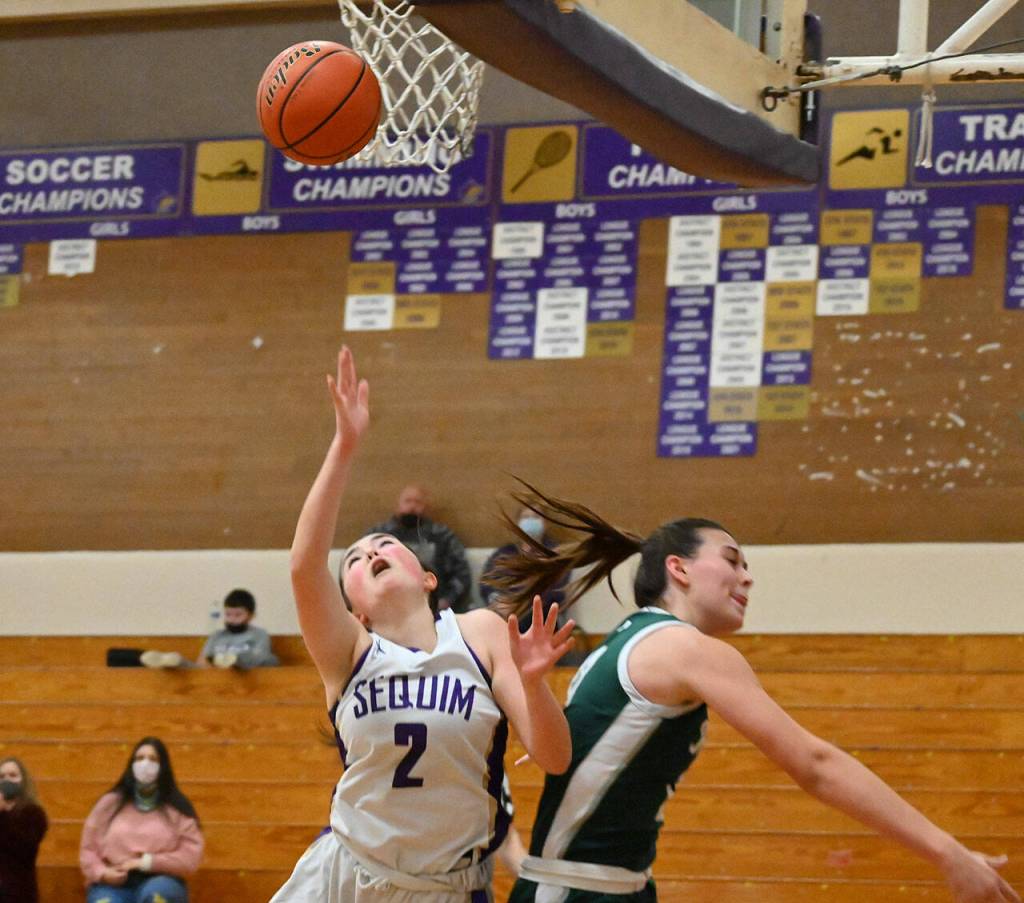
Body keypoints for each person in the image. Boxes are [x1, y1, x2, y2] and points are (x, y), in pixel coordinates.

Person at [487, 486, 1022, 903]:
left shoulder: (627, 639)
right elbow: (814, 763)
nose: (748, 577)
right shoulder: (681, 647)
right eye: (733, 559)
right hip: (580, 891)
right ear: (679, 568)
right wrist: (945, 851)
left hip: (607, 885)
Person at [270, 346, 575, 903]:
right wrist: (345, 446)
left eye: (385, 544)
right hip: (346, 875)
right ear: (353, 609)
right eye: (355, 560)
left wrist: (535, 685)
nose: (371, 553)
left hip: (445, 889)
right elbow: (301, 565)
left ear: (429, 578)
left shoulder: (480, 633)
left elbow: (554, 759)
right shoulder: (348, 651)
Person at [80, 737, 204, 903]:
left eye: (153, 759)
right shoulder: (109, 803)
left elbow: (190, 857)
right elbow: (88, 850)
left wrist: (146, 863)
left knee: (155, 896)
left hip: (161, 880)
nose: (145, 764)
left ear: (163, 767)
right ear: (131, 765)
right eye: (140, 758)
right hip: (113, 884)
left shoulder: (177, 807)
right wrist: (102, 873)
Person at [368, 484, 473, 613]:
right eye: (407, 501)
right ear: (397, 505)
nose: (412, 507)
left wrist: (446, 601)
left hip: (437, 607)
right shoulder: (378, 535)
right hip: (386, 607)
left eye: (418, 502)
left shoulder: (442, 535)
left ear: (426, 508)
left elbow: (462, 574)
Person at [141, 588, 279, 670]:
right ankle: (174, 660)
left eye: (238, 615)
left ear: (251, 615)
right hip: (214, 674)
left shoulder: (259, 635)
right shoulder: (217, 636)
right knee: (193, 669)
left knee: (269, 660)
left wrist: (236, 661)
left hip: (243, 673)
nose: (232, 619)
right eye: (228, 614)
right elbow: (202, 662)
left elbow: (260, 658)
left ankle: (232, 660)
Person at [0, 756, 48, 903]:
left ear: (23, 781)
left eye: (13, 776)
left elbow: (24, 847)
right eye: (2, 776)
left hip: (18, 890)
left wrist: (2, 813)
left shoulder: (34, 814)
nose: (7, 780)